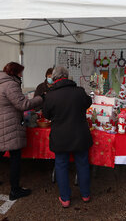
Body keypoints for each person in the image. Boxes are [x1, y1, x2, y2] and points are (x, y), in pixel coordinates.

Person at [0, 62, 43, 201]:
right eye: (20, 72)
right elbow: (23, 105)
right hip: (9, 125)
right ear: (15, 72)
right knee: (15, 157)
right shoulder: (10, 85)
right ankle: (15, 190)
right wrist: (40, 98)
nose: (22, 74)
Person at [43, 66, 93, 208]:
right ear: (67, 76)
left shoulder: (51, 95)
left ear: (55, 78)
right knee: (83, 164)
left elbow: (46, 115)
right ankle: (85, 195)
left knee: (61, 165)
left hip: (61, 136)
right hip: (80, 135)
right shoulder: (79, 91)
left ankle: (65, 198)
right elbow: (88, 103)